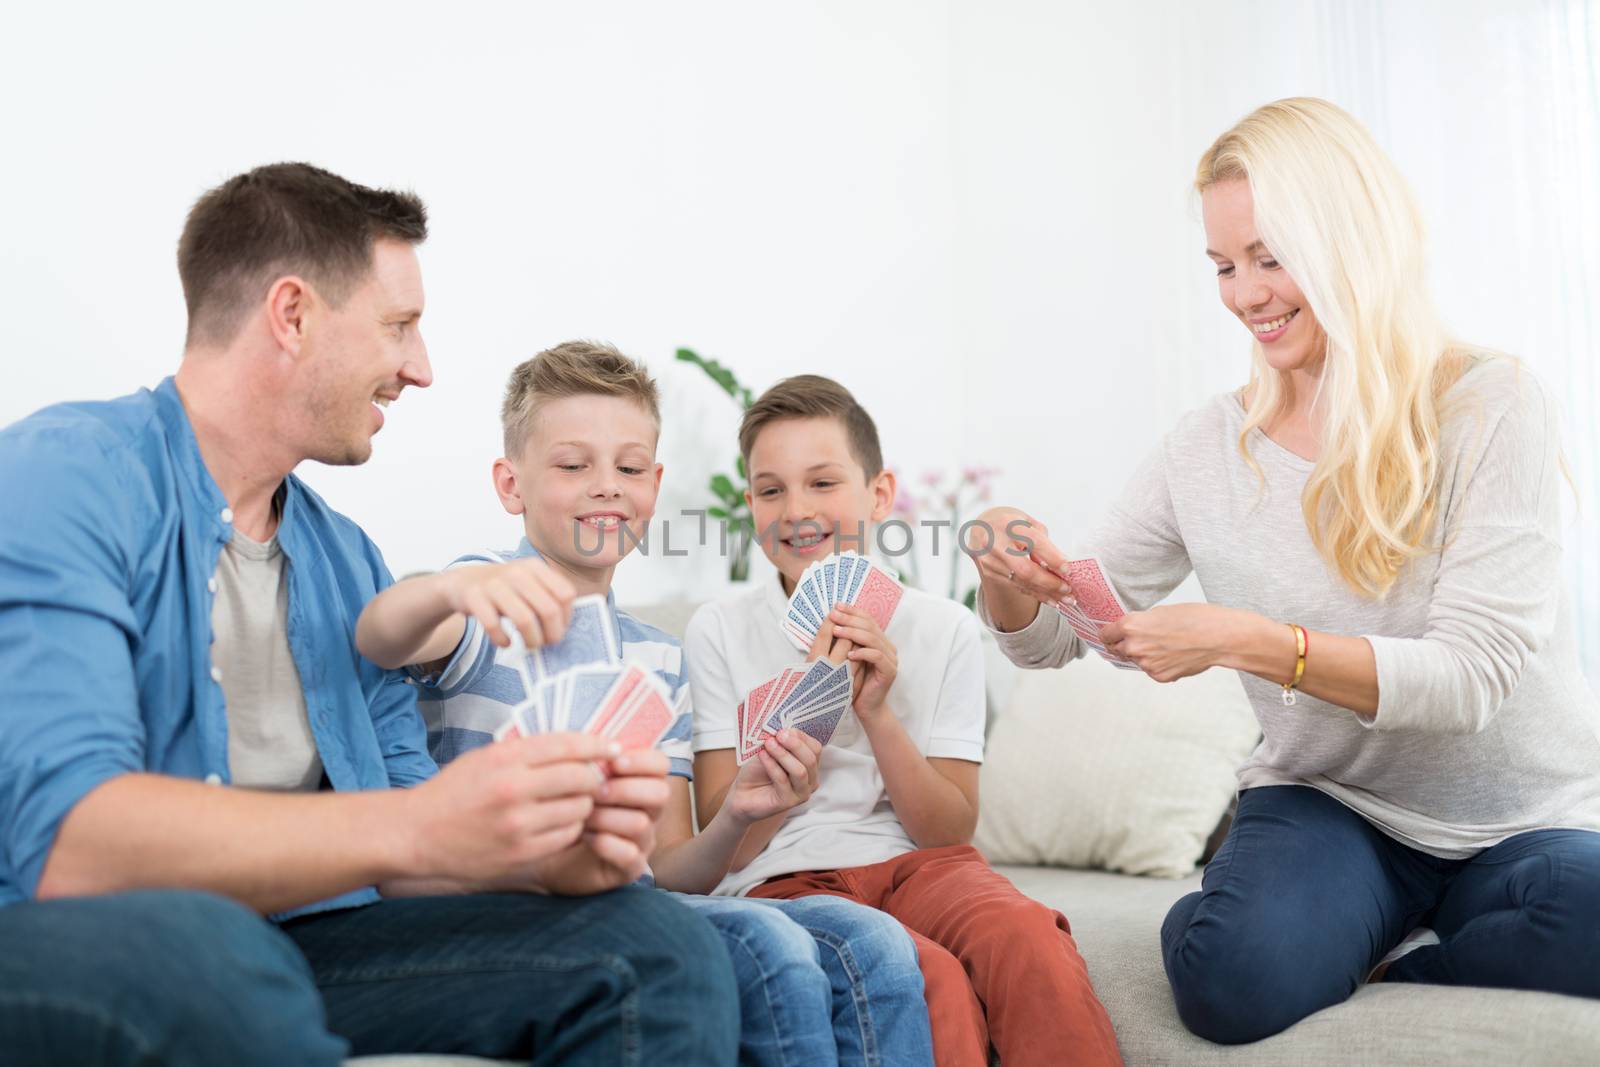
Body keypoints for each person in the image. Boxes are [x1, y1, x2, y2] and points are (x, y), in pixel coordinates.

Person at [0, 163, 737, 1066]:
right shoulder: (65, 474)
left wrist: (534, 860)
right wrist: (422, 826)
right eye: (398, 326)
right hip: (88, 938)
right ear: (294, 314)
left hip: (302, 941)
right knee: (215, 958)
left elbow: (396, 835)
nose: (419, 369)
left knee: (659, 947)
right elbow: (70, 846)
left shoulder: (347, 558)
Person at [965, 97, 1600, 1045]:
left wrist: (1256, 644)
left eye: (1270, 256)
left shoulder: (1489, 404)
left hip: (1521, 820)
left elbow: (1473, 676)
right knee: (1237, 979)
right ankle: (1308, 911)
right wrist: (1007, 570)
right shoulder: (1208, 448)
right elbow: (1062, 635)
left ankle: (1398, 950)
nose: (1244, 293)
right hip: (1330, 806)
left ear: (1352, 244)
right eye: (1224, 265)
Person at [357, 340, 935, 1067]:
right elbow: (379, 635)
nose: (606, 486)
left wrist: (740, 813)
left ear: (654, 484)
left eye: (629, 468)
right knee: (773, 942)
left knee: (872, 939)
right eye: (573, 466)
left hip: (632, 898)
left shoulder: (657, 656)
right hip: (511, 905)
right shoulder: (477, 601)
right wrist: (450, 590)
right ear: (512, 484)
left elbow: (670, 867)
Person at [685, 374, 1124, 1067]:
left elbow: (949, 827)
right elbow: (723, 842)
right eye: (771, 490)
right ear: (750, 505)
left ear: (878, 495)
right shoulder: (718, 629)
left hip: (921, 861)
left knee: (1028, 936)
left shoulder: (943, 626)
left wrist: (876, 711)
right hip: (788, 875)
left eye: (823, 483)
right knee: (931, 979)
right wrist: (813, 712)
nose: (797, 509)